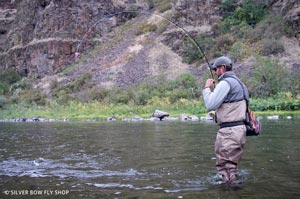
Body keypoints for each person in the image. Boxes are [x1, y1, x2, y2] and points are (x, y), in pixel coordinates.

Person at [202, 56, 249, 184]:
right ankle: (233, 190)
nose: (215, 72)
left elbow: (210, 105)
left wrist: (207, 88)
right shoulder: (240, 83)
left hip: (229, 132)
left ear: (222, 68)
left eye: (216, 69)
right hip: (239, 130)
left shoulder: (225, 83)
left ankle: (229, 192)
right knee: (231, 167)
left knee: (225, 168)